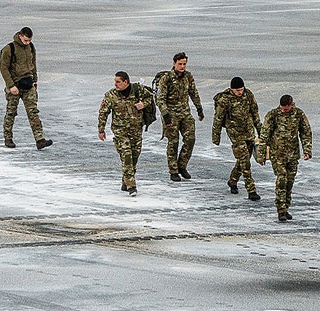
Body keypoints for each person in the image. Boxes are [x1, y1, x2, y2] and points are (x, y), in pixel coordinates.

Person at [98, 71, 153, 196]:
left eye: (118, 82)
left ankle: (126, 180)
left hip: (136, 130)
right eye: (115, 81)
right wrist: (101, 130)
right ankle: (131, 186)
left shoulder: (138, 90)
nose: (115, 84)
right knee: (127, 155)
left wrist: (143, 104)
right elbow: (103, 112)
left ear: (126, 82)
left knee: (134, 156)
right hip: (120, 131)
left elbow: (150, 97)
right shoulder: (111, 95)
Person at [259, 95, 312, 221]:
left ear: (291, 104)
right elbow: (264, 135)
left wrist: (307, 150)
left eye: (286, 109)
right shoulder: (273, 115)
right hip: (277, 155)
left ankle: (286, 207)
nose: (284, 110)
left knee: (289, 182)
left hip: (292, 155)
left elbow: (305, 132)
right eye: (282, 109)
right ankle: (281, 210)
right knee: (281, 180)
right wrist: (261, 155)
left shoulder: (298, 114)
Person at [0, 27, 52, 150]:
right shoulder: (9, 49)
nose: (27, 42)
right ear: (20, 36)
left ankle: (40, 140)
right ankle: (8, 138)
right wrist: (11, 85)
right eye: (25, 40)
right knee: (11, 112)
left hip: (28, 84)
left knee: (33, 112)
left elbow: (33, 64)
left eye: (29, 40)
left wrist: (35, 80)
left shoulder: (31, 47)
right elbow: (3, 68)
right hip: (15, 85)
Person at [211, 76, 262, 201]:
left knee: (244, 159)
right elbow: (218, 118)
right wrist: (216, 136)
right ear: (232, 89)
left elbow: (255, 113)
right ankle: (251, 190)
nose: (240, 92)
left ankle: (233, 180)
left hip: (249, 131)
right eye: (237, 90)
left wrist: (261, 131)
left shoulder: (248, 94)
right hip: (235, 133)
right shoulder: (225, 100)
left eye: (241, 89)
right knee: (245, 162)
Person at [156, 52, 204, 181]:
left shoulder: (188, 76)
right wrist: (166, 115)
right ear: (174, 63)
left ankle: (182, 165)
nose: (182, 66)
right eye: (180, 64)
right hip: (170, 114)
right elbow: (160, 98)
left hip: (185, 113)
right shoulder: (166, 78)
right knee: (173, 142)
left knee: (190, 140)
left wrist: (199, 109)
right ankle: (173, 170)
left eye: (184, 64)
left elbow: (193, 92)